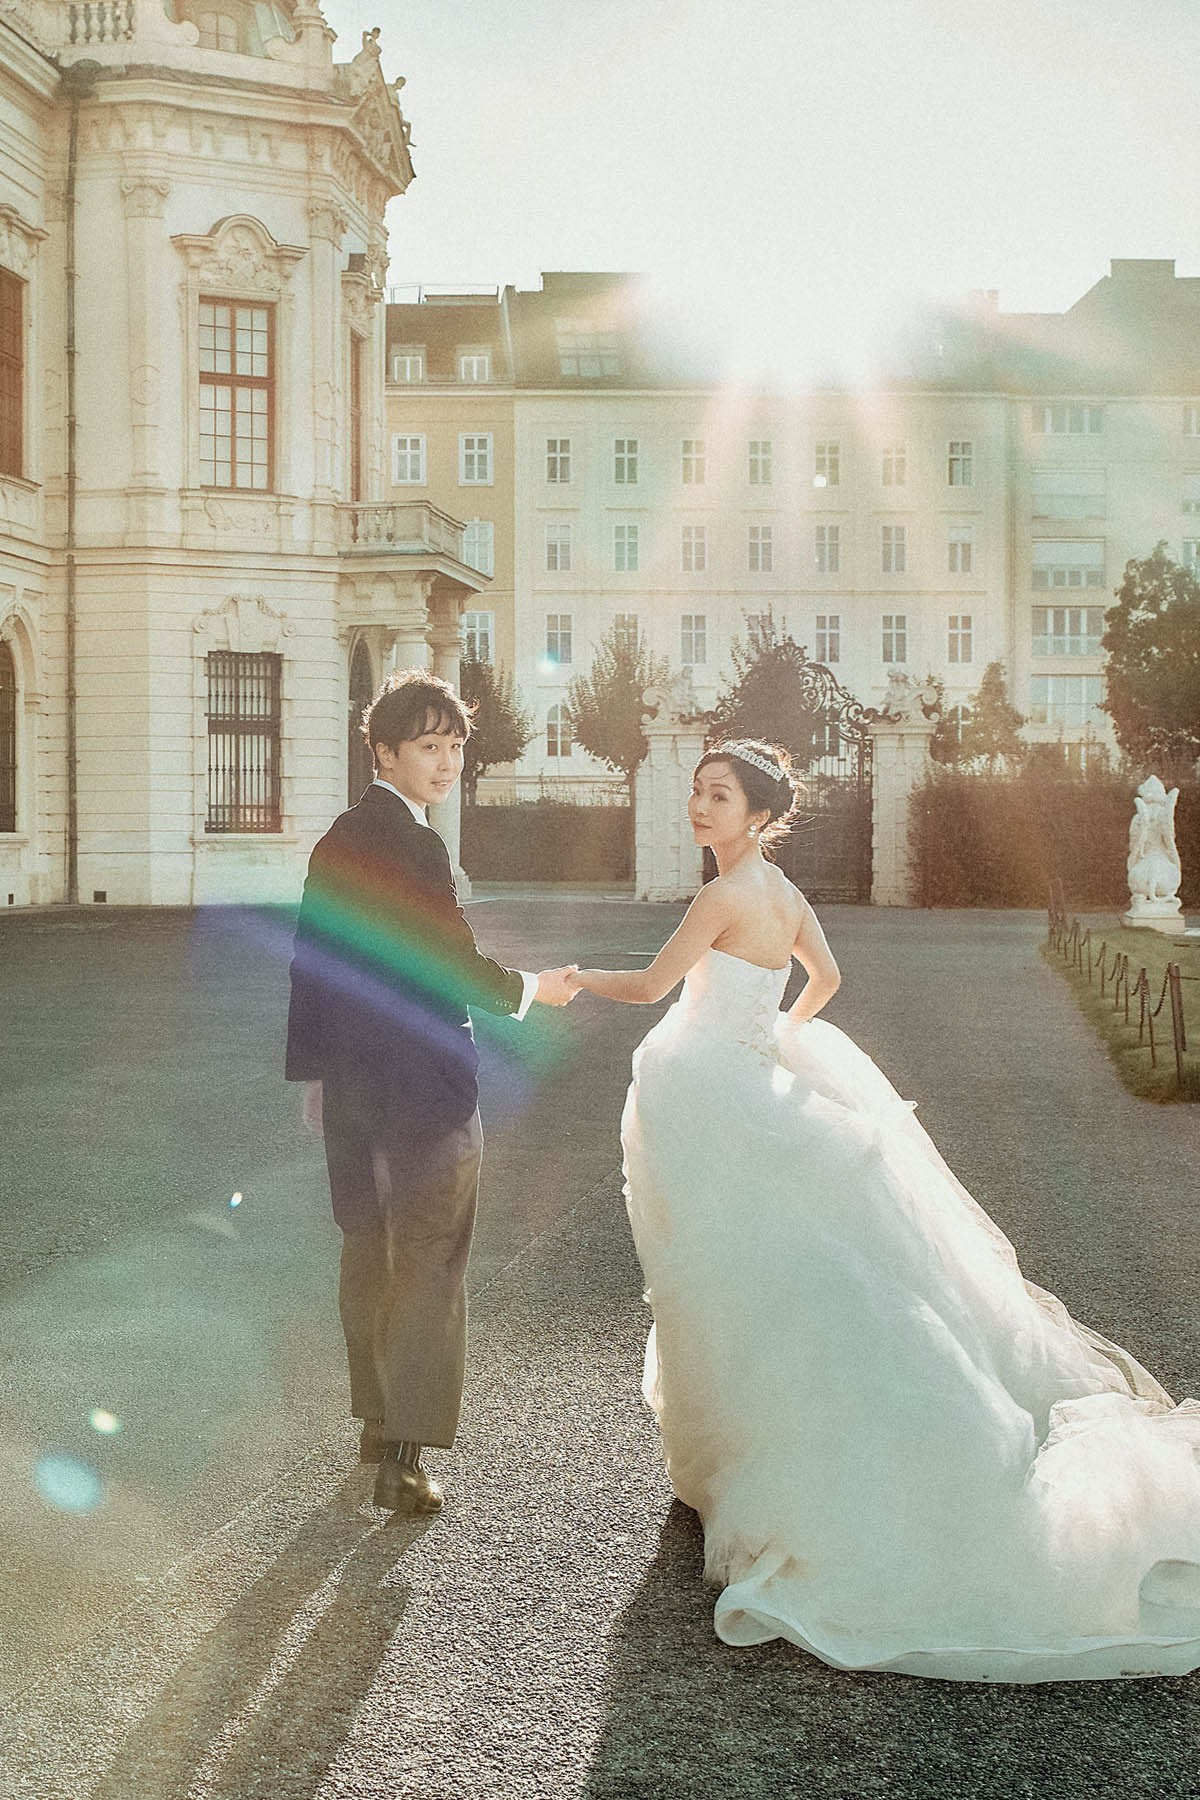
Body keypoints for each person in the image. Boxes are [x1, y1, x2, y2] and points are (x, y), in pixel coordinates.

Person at [568, 738, 1200, 1681]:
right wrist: (777, 1038)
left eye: (719, 796)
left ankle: (763, 1458)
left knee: (730, 1271)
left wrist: (573, 976)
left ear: (757, 813)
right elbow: (825, 982)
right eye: (698, 793)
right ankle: (759, 1449)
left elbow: (655, 988)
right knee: (791, 1270)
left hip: (713, 1099)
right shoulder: (782, 894)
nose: (700, 809)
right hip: (753, 1085)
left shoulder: (720, 896)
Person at [286, 669, 576, 1516]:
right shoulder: (417, 845)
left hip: (356, 1088)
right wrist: (530, 990)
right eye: (427, 746)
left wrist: (317, 1074)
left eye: (454, 746)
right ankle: (404, 1462)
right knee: (429, 1261)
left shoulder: (338, 836)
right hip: (424, 1089)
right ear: (382, 750)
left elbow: (315, 962)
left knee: (366, 1251)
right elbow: (447, 960)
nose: (446, 764)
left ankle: (379, 1425)